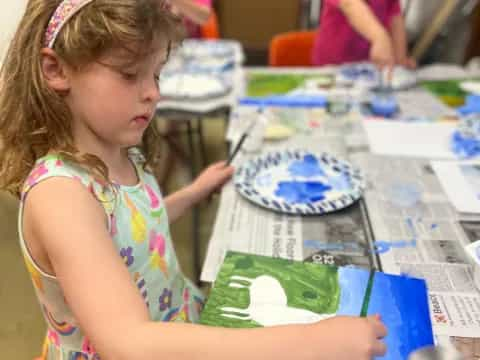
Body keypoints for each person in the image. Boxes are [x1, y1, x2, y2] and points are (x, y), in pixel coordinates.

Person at [0, 0, 387, 358]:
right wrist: (314, 342)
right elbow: (128, 343)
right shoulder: (61, 196)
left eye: (155, 74)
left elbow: (133, 230)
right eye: (129, 74)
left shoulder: (119, 151)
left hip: (176, 321)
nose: (152, 92)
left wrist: (193, 191)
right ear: (57, 70)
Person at [312, 0, 416, 69]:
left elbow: (396, 18)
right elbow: (350, 4)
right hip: (332, 66)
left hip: (369, 66)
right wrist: (380, 37)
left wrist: (400, 59)